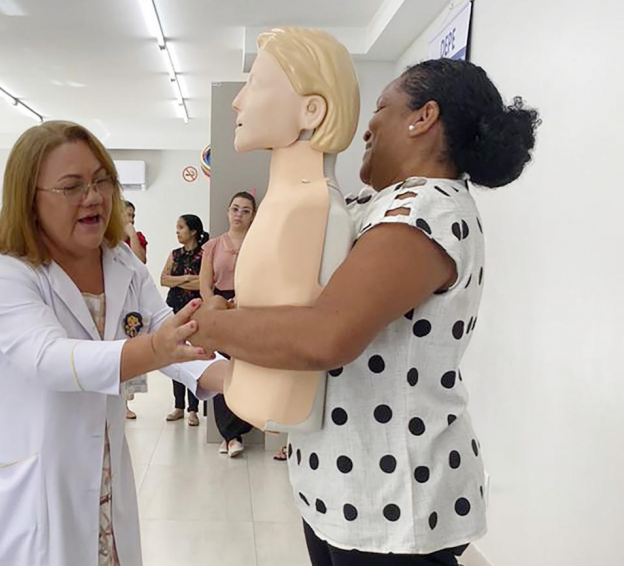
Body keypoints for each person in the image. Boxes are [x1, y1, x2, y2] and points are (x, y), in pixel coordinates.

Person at [191, 58, 540, 565]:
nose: (368, 126)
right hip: (346, 488)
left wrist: (211, 325)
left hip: (394, 500)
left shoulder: (428, 207)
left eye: (382, 108)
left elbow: (324, 335)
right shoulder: (371, 203)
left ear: (423, 118)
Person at [0, 120, 227, 566]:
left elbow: (162, 327)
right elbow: (49, 358)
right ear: (29, 198)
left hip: (102, 465)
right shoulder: (4, 272)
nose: (93, 197)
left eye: (101, 181)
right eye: (72, 186)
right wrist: (154, 349)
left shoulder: (121, 261)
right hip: (30, 470)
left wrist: (230, 377)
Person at [199, 191, 257, 458]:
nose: (239, 215)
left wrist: (242, 300)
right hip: (220, 306)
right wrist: (216, 307)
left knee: (248, 366)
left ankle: (240, 428)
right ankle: (229, 435)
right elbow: (204, 284)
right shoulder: (213, 245)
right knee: (222, 367)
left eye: (246, 210)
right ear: (227, 211)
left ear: (253, 215)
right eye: (235, 208)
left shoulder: (260, 243)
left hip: (249, 307)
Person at [160, 214, 209, 425]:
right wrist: (185, 279)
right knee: (175, 355)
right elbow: (164, 279)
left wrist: (179, 281)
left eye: (181, 227)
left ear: (193, 231)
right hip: (174, 310)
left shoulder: (205, 254)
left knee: (193, 356)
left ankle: (193, 409)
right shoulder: (174, 254)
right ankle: (178, 405)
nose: (177, 231)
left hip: (197, 312)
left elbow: (204, 283)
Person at [122, 200, 148, 419]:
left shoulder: (137, 239)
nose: (130, 220)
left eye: (133, 215)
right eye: (126, 215)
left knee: (131, 350)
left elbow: (140, 261)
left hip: (132, 304)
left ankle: (125, 403)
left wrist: (131, 234)